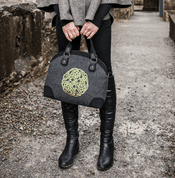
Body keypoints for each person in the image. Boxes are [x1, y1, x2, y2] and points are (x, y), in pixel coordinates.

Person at [37, 0, 132, 171]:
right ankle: (72, 140)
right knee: (67, 73)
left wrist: (97, 18)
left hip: (99, 13)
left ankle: (107, 141)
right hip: (65, 10)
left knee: (105, 74)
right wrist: (64, 19)